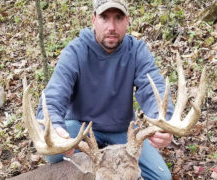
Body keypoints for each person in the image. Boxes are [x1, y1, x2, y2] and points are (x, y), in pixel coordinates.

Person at [36, 0, 174, 179]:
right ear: (93, 19)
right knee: (52, 148)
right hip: (82, 131)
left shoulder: (137, 51)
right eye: (104, 17)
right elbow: (53, 96)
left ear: (127, 21)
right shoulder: (76, 51)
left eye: (118, 18)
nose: (111, 27)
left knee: (161, 177)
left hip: (122, 133)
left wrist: (164, 124)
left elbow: (152, 88)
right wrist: (55, 127)